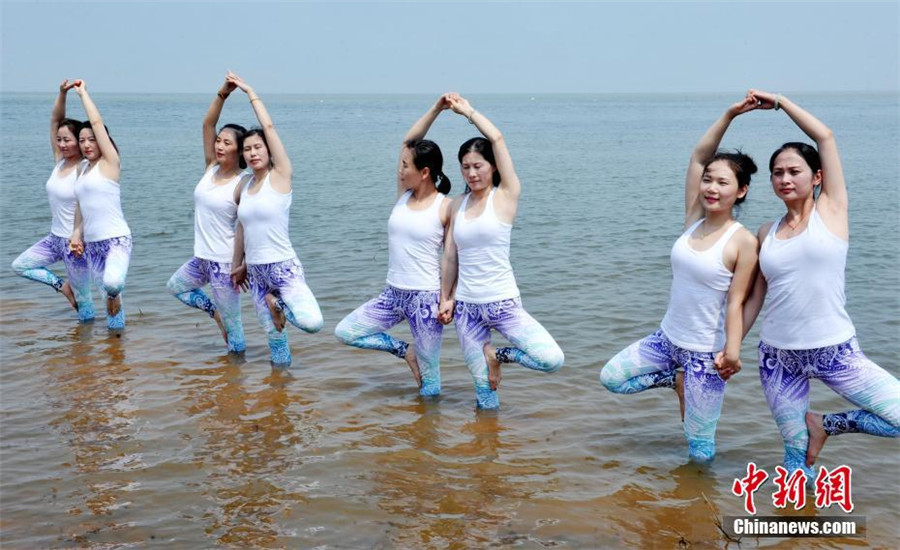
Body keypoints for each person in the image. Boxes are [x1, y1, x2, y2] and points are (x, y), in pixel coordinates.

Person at [742, 90, 900, 476]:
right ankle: (798, 530)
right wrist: (725, 348)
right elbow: (753, 299)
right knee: (796, 457)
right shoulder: (766, 232)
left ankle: (825, 425)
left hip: (835, 351)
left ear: (817, 177)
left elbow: (825, 137)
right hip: (778, 357)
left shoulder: (831, 211)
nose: (784, 179)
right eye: (777, 173)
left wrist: (779, 102)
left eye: (794, 171)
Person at [600, 96, 760, 463]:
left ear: (741, 190)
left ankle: (695, 515)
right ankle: (674, 381)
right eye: (708, 180)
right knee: (612, 378)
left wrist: (732, 349)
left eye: (722, 182)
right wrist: (730, 114)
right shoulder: (694, 219)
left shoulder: (743, 241)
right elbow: (698, 156)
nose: (711, 188)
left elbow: (738, 301)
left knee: (700, 449)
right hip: (666, 339)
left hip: (706, 354)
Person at [439, 94, 564, 410]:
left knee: (550, 358)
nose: (471, 173)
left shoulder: (506, 196)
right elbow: (451, 256)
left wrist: (466, 111)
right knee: (484, 394)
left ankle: (498, 356)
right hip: (467, 309)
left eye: (478, 166)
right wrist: (446, 297)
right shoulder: (457, 204)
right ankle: (486, 453)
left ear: (493, 167)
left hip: (503, 303)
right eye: (465, 167)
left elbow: (496, 137)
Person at [334, 95, 453, 397]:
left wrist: (446, 299)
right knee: (346, 332)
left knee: (430, 381)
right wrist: (436, 109)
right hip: (392, 293)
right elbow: (409, 140)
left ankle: (428, 436)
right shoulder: (403, 194)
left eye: (405, 166)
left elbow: (452, 259)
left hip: (426, 300)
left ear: (424, 172)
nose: (400, 170)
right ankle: (405, 351)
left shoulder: (445, 206)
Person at [228, 73, 323, 365]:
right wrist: (237, 265)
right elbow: (243, 226)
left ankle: (277, 303)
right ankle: (278, 399)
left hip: (284, 268)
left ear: (269, 150)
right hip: (256, 273)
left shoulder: (280, 177)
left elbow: (268, 126)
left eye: (258, 147)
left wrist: (250, 93)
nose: (253, 152)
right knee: (276, 344)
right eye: (247, 148)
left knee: (311, 322)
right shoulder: (243, 186)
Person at [166, 75, 247, 353]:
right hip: (201, 258)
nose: (219, 145)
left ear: (240, 151)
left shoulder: (243, 182)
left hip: (225, 264)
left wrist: (242, 264)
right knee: (176, 286)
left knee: (234, 329)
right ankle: (215, 314)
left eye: (226, 143)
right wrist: (222, 94)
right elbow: (207, 124)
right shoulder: (211, 167)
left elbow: (247, 226)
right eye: (219, 141)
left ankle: (235, 383)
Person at [12, 79, 94, 322]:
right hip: (54, 238)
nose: (62, 144)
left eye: (68, 140)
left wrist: (78, 237)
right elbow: (55, 120)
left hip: (76, 243)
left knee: (85, 304)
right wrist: (61, 93)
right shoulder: (59, 160)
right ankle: (63, 287)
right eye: (59, 140)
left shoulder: (86, 167)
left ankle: (87, 351)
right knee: (21, 265)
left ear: (79, 141)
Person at [70, 80, 132, 330]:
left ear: (103, 140)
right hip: (93, 245)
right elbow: (80, 205)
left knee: (113, 285)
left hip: (116, 239)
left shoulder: (110, 163)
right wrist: (76, 234)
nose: (86, 145)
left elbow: (96, 122)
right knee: (110, 308)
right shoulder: (82, 168)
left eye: (92, 139)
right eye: (82, 140)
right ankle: (116, 350)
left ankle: (114, 299)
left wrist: (83, 94)